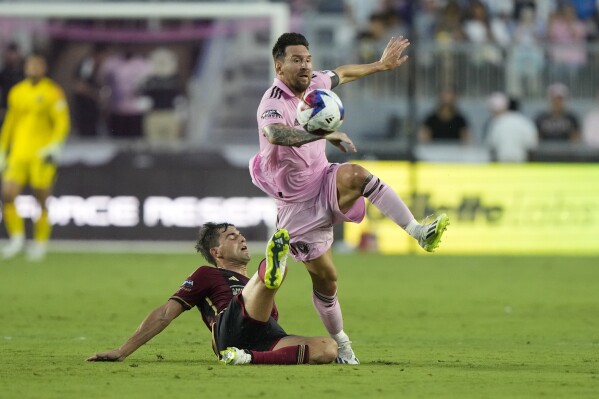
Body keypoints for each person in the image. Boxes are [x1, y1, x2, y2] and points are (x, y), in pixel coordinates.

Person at [249, 32, 449, 364]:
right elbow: (275, 134)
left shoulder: (316, 83)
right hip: (297, 205)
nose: (305, 66)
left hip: (324, 179)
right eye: (296, 60)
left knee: (357, 174)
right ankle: (341, 342)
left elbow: (344, 73)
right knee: (327, 280)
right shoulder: (272, 102)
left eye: (308, 59)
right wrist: (323, 132)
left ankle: (418, 232)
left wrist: (381, 65)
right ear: (279, 65)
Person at [87, 224, 337, 365]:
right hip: (231, 327)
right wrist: (122, 350)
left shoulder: (247, 283)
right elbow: (165, 313)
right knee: (261, 287)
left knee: (327, 349)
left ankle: (248, 358)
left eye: (240, 234)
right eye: (232, 236)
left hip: (265, 337)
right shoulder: (207, 274)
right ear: (216, 252)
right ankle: (273, 271)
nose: (241, 238)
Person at [0, 54, 70, 261]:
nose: (32, 68)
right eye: (30, 65)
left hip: (41, 154)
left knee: (40, 199)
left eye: (37, 65)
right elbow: (11, 122)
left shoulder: (53, 92)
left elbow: (62, 122)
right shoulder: (17, 92)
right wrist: (2, 148)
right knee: (7, 194)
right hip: (19, 153)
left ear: (44, 68)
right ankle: (17, 239)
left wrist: (54, 146)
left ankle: (40, 243)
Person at [485, 92, 538, 162]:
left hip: (501, 164)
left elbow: (491, 147)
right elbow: (532, 147)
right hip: (521, 164)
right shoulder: (525, 122)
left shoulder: (497, 122)